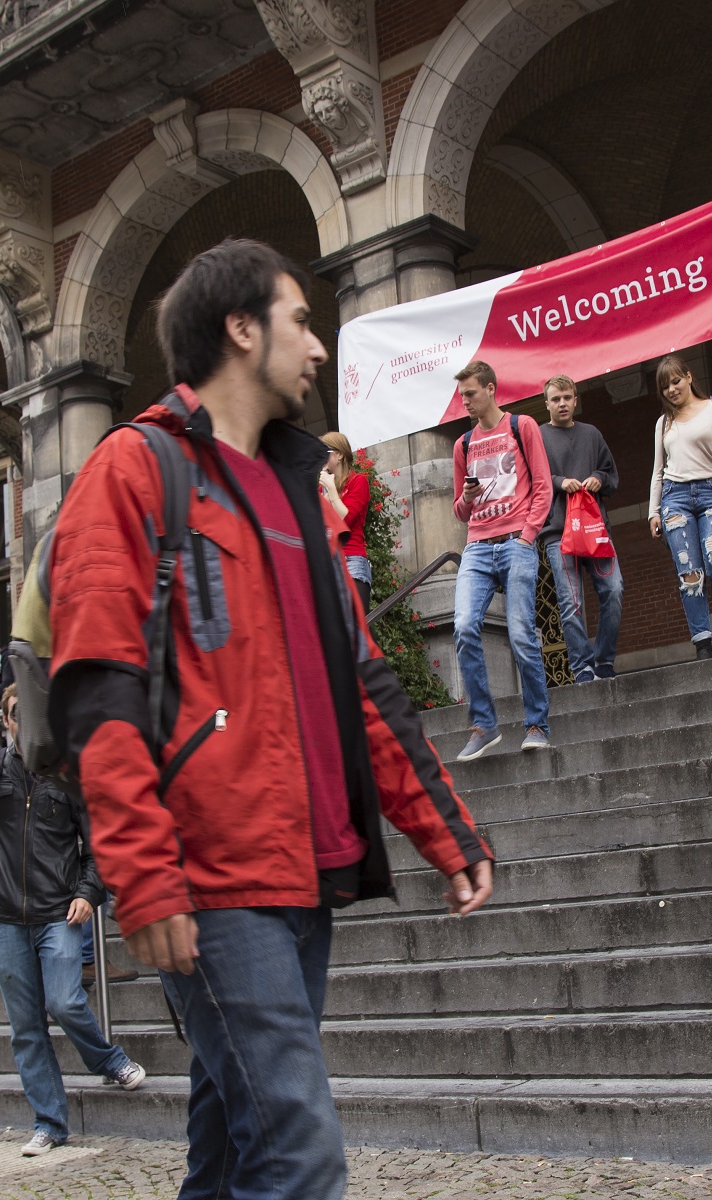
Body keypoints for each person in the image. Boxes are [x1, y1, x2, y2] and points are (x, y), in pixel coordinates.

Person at [46, 237, 495, 1199]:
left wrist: (445, 829)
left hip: (304, 868)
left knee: (238, 1145)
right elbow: (100, 689)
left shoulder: (298, 492)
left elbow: (363, 687)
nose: (319, 347)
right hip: (212, 878)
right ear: (240, 329)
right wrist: (144, 876)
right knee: (299, 1153)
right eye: (301, 320)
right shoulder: (134, 471)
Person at [0, 684, 147, 1156]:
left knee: (64, 1002)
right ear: (6, 721)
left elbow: (98, 845)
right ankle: (49, 1122)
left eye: (33, 713)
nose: (24, 722)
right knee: (26, 1026)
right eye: (16, 714)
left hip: (57, 912)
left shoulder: (69, 775)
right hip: (5, 916)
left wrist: (89, 893)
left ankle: (109, 1060)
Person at [451, 359, 554, 759]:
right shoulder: (462, 444)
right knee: (463, 626)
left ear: (491, 389)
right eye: (462, 396)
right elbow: (459, 511)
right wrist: (468, 498)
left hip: (516, 541)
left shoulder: (522, 426)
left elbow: (543, 487)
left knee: (521, 635)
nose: (466, 402)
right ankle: (484, 723)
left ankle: (536, 724)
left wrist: (528, 536)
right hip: (477, 545)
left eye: (471, 394)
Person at [648, 355, 712, 657]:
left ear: (689, 377)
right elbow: (657, 471)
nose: (672, 389)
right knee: (690, 575)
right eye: (665, 387)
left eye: (676, 381)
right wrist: (653, 512)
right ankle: (702, 643)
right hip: (674, 497)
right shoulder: (664, 423)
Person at [537, 375, 623, 683]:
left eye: (567, 398)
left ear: (576, 400)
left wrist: (598, 477)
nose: (562, 404)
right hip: (558, 533)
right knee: (570, 603)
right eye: (556, 399)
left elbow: (612, 476)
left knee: (613, 591)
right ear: (546, 403)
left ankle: (603, 660)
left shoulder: (592, 434)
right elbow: (533, 482)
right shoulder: (538, 437)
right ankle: (582, 667)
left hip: (595, 529)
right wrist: (560, 482)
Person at [319, 431, 372, 611]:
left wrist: (331, 490)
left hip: (351, 559)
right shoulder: (322, 489)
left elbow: (345, 519)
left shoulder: (358, 482)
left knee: (356, 624)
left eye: (324, 452)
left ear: (339, 454)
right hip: (328, 562)